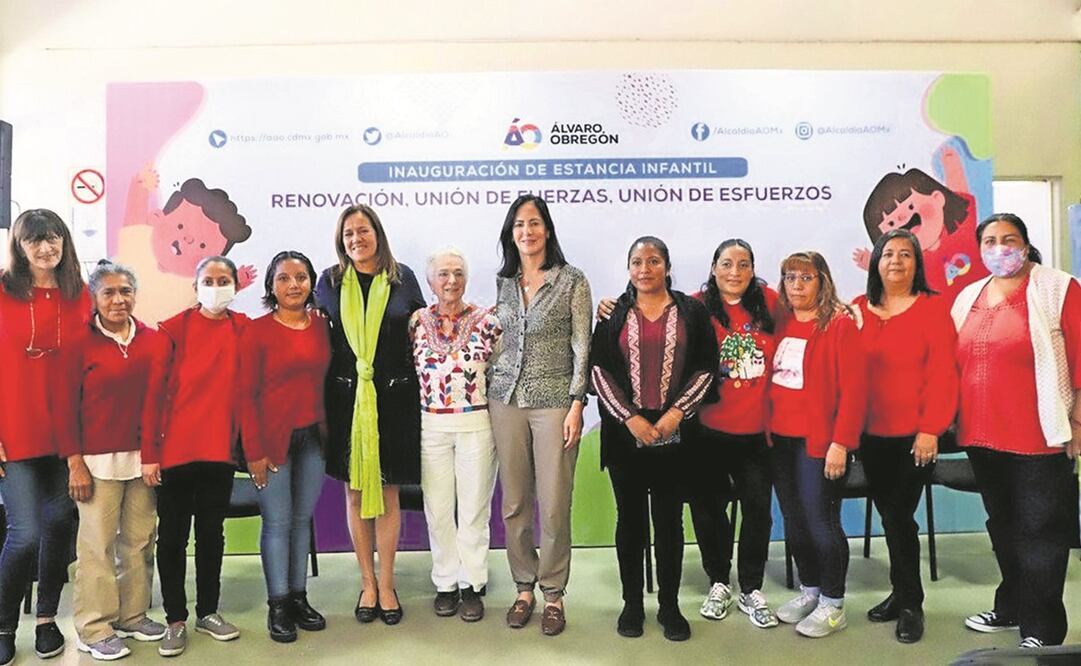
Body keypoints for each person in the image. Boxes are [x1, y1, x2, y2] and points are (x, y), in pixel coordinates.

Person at [951, 213, 1081, 649]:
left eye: (1009, 239)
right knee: (1003, 528)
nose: (999, 247)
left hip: (1039, 439)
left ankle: (1043, 632)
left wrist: (1078, 421)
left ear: (1026, 244)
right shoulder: (969, 294)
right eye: (990, 240)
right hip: (981, 437)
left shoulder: (1057, 287)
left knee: (1040, 534)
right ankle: (1011, 608)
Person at [590, 236, 716, 641]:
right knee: (629, 521)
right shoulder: (612, 315)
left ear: (667, 265)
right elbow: (598, 372)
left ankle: (670, 606)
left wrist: (676, 414)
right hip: (625, 435)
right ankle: (631, 605)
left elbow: (706, 367)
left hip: (677, 434)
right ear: (628, 269)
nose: (645, 269)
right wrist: (630, 419)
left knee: (669, 523)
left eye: (654, 261)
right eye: (637, 262)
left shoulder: (692, 312)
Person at [315, 204, 425, 626]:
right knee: (356, 493)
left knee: (389, 493)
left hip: (394, 400)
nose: (356, 239)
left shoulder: (404, 278)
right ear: (341, 241)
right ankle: (367, 582)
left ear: (377, 233)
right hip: (345, 401)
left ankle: (388, 581)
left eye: (363, 231)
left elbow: (423, 327)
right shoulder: (328, 282)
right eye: (348, 234)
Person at [488, 194, 592, 636]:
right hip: (505, 400)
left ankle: (552, 593)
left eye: (533, 223)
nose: (526, 232)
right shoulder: (504, 281)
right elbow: (498, 339)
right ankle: (522, 587)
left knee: (553, 503)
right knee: (514, 502)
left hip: (554, 403)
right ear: (511, 234)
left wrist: (576, 403)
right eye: (518, 225)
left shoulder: (572, 280)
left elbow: (582, 346)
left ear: (547, 229)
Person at [853, 229, 958, 644]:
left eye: (906, 255)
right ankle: (900, 593)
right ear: (876, 262)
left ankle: (912, 603)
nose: (896, 261)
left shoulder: (933, 309)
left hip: (916, 437)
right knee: (891, 516)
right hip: (870, 436)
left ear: (917, 264)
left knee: (899, 517)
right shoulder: (858, 309)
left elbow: (944, 375)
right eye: (888, 254)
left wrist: (931, 429)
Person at [143, 255, 249, 656]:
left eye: (224, 280)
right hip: (174, 452)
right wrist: (151, 454)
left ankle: (208, 612)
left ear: (236, 286)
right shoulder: (172, 330)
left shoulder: (244, 329)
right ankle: (175, 619)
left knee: (211, 535)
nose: (217, 286)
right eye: (209, 280)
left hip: (219, 452)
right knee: (172, 538)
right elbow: (153, 397)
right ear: (196, 286)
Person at [0, 209, 90, 666]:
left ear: (64, 242)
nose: (44, 248)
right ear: (19, 245)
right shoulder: (1, 290)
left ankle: (47, 620)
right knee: (25, 535)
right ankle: (3, 625)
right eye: (34, 240)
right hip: (13, 435)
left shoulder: (81, 294)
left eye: (52, 238)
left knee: (58, 529)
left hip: (67, 437)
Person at [68, 262, 168, 661]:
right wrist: (75, 462)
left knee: (141, 541)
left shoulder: (153, 340)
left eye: (125, 291)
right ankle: (94, 627)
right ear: (94, 297)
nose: (118, 299)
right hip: (95, 462)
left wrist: (153, 456)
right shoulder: (78, 342)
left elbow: (158, 402)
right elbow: (63, 407)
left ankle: (132, 615)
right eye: (108, 292)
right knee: (96, 546)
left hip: (143, 461)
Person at [770, 251, 866, 638]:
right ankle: (810, 591)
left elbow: (855, 392)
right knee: (793, 521)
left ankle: (833, 603)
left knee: (820, 522)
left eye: (806, 278)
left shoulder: (840, 325)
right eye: (790, 277)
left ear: (822, 281)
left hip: (820, 444)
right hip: (780, 440)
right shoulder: (781, 320)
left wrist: (841, 443)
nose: (797, 285)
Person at [686, 239, 781, 629]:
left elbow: (811, 313)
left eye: (744, 265)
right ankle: (720, 581)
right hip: (708, 432)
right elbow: (650, 307)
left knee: (758, 511)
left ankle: (752, 587)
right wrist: (613, 304)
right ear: (713, 268)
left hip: (757, 434)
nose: (735, 272)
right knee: (709, 512)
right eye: (727, 264)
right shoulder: (694, 306)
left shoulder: (771, 303)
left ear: (753, 270)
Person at [240, 251, 331, 643]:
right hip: (270, 442)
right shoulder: (256, 332)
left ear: (311, 282)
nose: (293, 285)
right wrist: (253, 452)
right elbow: (244, 396)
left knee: (299, 520)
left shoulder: (322, 326)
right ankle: (277, 604)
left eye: (301, 277)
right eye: (284, 278)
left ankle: (298, 597)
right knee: (276, 522)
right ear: (271, 287)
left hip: (314, 438)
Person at [409, 247, 502, 622]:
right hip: (431, 426)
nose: (451, 280)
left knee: (475, 509)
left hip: (476, 426)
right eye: (443, 274)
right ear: (430, 281)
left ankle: (472, 584)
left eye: (458, 273)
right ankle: (445, 583)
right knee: (438, 509)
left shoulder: (488, 321)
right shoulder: (415, 321)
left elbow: (499, 371)